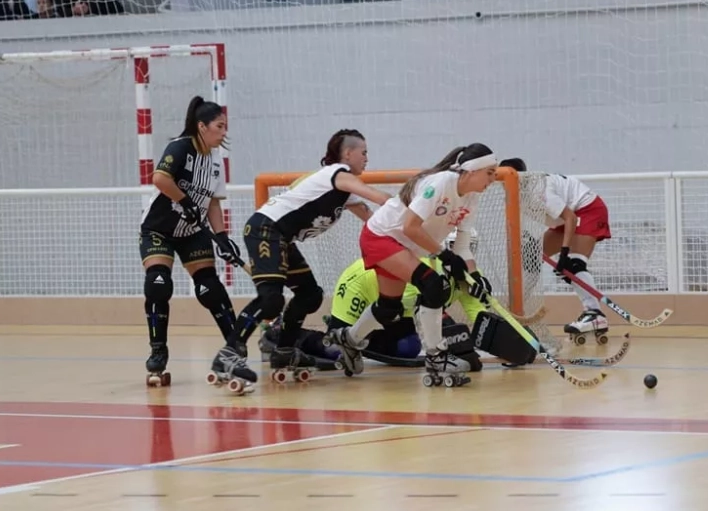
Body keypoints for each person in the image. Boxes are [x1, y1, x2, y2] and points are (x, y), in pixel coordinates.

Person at [208, 129, 391, 385]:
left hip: (281, 238)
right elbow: (379, 198)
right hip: (265, 229)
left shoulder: (344, 190)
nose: (367, 158)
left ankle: (284, 351)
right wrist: (404, 206)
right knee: (271, 299)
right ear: (348, 154)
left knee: (310, 295)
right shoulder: (338, 173)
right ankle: (230, 353)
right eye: (364, 152)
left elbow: (373, 220)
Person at [325, 143, 499, 388]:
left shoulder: (472, 198)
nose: (493, 179)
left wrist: (475, 275)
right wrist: (442, 254)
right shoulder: (440, 183)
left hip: (403, 247)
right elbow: (410, 227)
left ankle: (349, 339)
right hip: (380, 237)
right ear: (471, 170)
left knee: (388, 308)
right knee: (433, 286)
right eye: (490, 172)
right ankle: (436, 356)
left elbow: (461, 247)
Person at [139, 95, 247, 386]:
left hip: (191, 232)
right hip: (159, 229)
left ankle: (235, 347)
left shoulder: (215, 160)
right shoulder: (180, 147)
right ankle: (158, 351)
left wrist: (222, 237)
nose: (224, 132)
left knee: (209, 288)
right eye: (219, 126)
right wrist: (185, 201)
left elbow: (213, 202)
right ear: (202, 126)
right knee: (158, 284)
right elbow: (160, 179)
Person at [319, 228, 485, 371]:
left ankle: (357, 338)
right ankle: (308, 339)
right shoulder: (425, 271)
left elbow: (480, 316)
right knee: (333, 350)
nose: (462, 254)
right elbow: (414, 313)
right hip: (358, 286)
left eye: (469, 247)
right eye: (454, 246)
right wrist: (455, 340)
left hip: (398, 305)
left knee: (408, 347)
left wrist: (496, 344)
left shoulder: (471, 276)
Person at [499, 157, 612, 344]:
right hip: (563, 220)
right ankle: (516, 311)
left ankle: (594, 314)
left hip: (586, 210)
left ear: (520, 177)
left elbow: (570, 218)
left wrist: (564, 252)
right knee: (530, 258)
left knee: (573, 265)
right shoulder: (514, 195)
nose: (503, 184)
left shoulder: (539, 191)